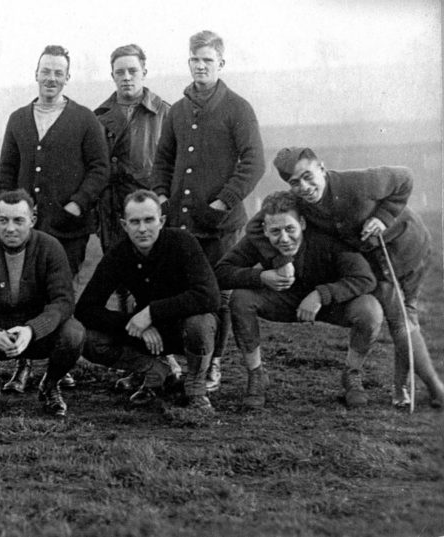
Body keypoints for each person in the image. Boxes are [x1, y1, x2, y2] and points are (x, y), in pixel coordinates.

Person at [253, 147, 444, 409]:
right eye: (295, 183)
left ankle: (422, 388)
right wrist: (280, 261)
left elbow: (405, 177)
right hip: (374, 266)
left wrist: (382, 217)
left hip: (407, 249)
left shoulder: (360, 182)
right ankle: (412, 388)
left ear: (321, 168)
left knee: (405, 315)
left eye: (308, 176)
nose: (305, 187)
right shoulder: (298, 202)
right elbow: (256, 226)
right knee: (401, 316)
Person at [151, 31, 264, 394]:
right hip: (181, 225)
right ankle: (177, 361)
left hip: (220, 228)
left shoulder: (238, 108)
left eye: (208, 61)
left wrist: (222, 202)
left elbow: (254, 162)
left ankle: (214, 363)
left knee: (219, 297)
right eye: (194, 60)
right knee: (178, 291)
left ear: (221, 64)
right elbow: (164, 160)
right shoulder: (178, 110)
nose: (200, 66)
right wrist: (160, 198)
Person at [0, 45, 106, 393]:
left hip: (68, 229)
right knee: (24, 295)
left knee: (62, 294)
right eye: (46, 71)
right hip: (26, 229)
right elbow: (7, 171)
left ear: (67, 78)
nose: (52, 78)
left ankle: (59, 366)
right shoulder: (18, 118)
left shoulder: (85, 119)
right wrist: (8, 214)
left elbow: (100, 168)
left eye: (59, 73)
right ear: (36, 73)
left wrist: (77, 204)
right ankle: (23, 367)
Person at [217, 192, 383, 408]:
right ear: (264, 230)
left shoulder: (327, 237)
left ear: (303, 223)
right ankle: (256, 375)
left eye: (290, 229)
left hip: (329, 305)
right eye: (275, 231)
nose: (284, 239)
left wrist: (322, 294)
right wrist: (260, 277)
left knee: (370, 309)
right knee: (240, 298)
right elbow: (221, 271)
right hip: (282, 302)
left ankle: (352, 374)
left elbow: (364, 278)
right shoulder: (255, 242)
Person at [75, 190, 220, 410]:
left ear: (161, 221)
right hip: (148, 334)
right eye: (135, 222)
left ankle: (195, 387)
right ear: (124, 225)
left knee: (199, 323)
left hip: (185, 330)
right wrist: (134, 323)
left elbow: (209, 296)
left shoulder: (183, 241)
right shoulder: (118, 254)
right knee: (87, 338)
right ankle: (155, 371)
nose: (142, 229)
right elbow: (85, 309)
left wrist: (151, 312)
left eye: (149, 220)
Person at [0, 190, 84, 417]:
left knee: (74, 333)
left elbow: (64, 302)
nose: (10, 228)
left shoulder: (51, 248)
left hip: (36, 335)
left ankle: (49, 385)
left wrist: (32, 330)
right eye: (3, 220)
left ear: (32, 220)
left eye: (18, 220)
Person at [94, 44, 170, 255]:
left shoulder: (165, 114)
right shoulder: (97, 118)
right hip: (113, 213)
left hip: (150, 209)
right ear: (113, 76)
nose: (126, 77)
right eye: (120, 72)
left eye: (132, 71)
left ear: (144, 73)